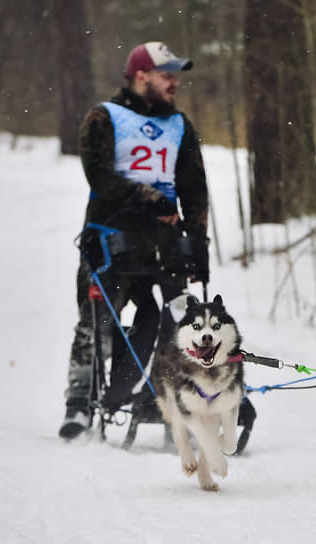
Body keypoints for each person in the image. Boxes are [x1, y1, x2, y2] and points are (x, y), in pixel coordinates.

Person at [59, 41, 210, 439]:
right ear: (141, 76)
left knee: (178, 322)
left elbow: (194, 188)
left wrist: (197, 242)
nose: (174, 82)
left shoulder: (180, 125)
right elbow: (100, 177)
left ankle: (161, 401)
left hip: (164, 246)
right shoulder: (103, 118)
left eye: (175, 74)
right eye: (166, 74)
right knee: (97, 324)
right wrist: (150, 199)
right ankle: (80, 403)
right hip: (112, 241)